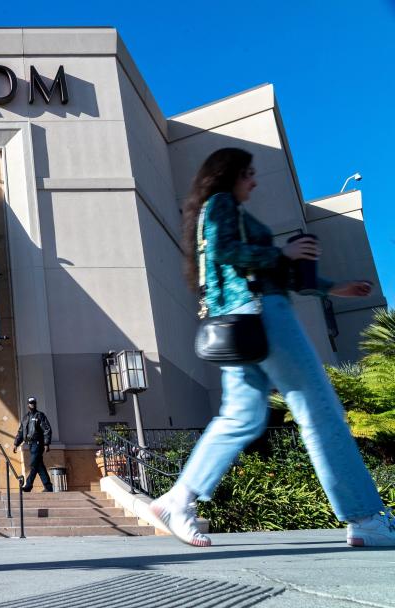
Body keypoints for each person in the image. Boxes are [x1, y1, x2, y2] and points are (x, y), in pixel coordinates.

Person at [149, 147, 394, 548]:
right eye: (248, 173)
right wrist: (283, 251)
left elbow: (266, 269)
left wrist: (332, 287)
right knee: (319, 409)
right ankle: (365, 517)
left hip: (241, 323)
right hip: (262, 316)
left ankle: (178, 499)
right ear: (229, 175)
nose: (254, 181)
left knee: (240, 418)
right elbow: (228, 251)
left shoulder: (222, 210)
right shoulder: (221, 203)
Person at [13, 397, 53, 492]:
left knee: (33, 464)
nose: (32, 404)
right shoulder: (25, 418)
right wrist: (16, 444)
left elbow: (47, 429)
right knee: (39, 465)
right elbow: (21, 432)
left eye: (34, 403)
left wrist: (46, 443)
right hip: (30, 444)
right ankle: (48, 487)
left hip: (38, 443)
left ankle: (28, 485)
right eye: (31, 403)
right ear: (28, 405)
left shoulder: (40, 415)